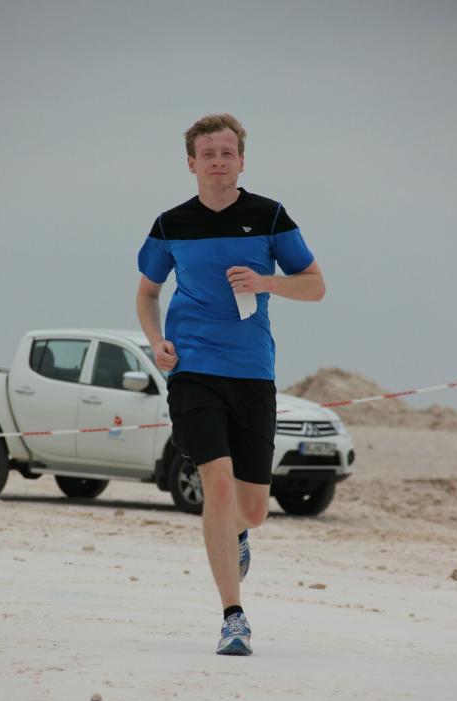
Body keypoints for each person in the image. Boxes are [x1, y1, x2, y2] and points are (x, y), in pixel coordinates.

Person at [136, 113, 325, 656]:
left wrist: (267, 282)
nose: (217, 162)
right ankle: (233, 618)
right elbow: (147, 293)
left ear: (241, 160)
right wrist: (157, 341)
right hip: (192, 369)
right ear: (191, 163)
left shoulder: (269, 216)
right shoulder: (171, 224)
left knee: (254, 510)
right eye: (207, 154)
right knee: (216, 485)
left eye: (226, 153)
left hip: (251, 372)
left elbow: (315, 285)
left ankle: (236, 532)